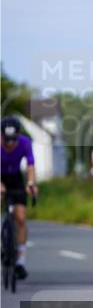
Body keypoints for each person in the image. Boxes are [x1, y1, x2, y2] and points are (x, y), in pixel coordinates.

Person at [0, 116, 38, 280]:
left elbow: (30, 165)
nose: (10, 143)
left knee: (21, 218)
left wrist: (31, 183)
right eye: (6, 140)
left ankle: (20, 261)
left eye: (13, 140)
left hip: (15, 178)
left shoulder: (25, 142)